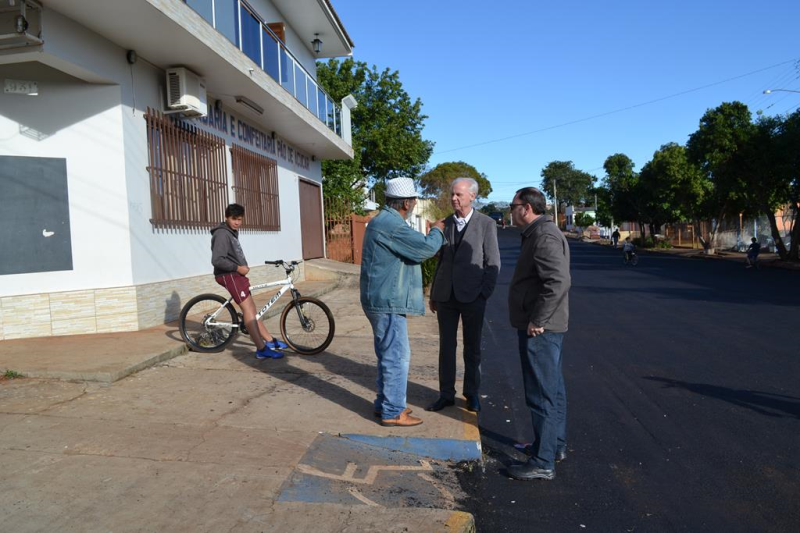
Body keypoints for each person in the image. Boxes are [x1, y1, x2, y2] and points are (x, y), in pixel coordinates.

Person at [361, 178, 445, 427]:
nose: (415, 204)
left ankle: (385, 404)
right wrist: (437, 229)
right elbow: (424, 248)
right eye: (414, 200)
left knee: (387, 355)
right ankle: (393, 412)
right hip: (387, 301)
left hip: (380, 298)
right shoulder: (392, 225)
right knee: (396, 357)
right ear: (406, 203)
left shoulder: (383, 221)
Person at [506, 187, 571, 481]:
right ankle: (553, 446)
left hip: (541, 328)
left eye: (513, 206)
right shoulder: (538, 233)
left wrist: (537, 319)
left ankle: (543, 462)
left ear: (527, 208)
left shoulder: (543, 235)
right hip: (546, 325)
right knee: (552, 389)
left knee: (540, 393)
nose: (511, 211)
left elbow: (558, 281)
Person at [426, 177, 500, 413]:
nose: (454, 198)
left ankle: (472, 393)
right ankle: (446, 394)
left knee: (472, 348)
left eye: (459, 194)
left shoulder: (486, 224)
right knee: (446, 347)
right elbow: (441, 261)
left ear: (472, 196)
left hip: (473, 296)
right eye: (452, 194)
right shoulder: (445, 223)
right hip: (446, 296)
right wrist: (434, 293)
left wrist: (484, 293)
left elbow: (493, 262)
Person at [211, 203, 287, 360]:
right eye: (234, 219)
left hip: (236, 275)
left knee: (251, 310)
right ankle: (261, 349)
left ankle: (269, 341)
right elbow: (217, 260)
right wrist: (238, 268)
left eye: (239, 219)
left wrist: (241, 268)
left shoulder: (231, 232)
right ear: (226, 217)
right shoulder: (222, 234)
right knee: (248, 311)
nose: (237, 222)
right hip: (229, 275)